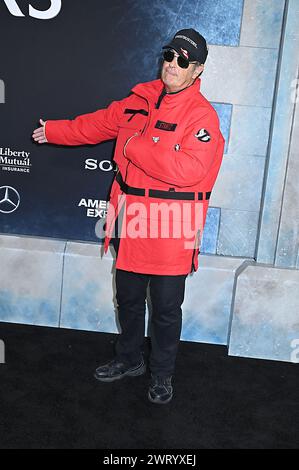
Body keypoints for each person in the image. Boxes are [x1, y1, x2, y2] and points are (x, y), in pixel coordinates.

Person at [32, 29, 225, 405]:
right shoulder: (141, 100)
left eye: (183, 60)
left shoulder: (202, 117)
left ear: (197, 70)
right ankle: (129, 359)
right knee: (129, 298)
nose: (173, 64)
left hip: (172, 224)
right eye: (170, 55)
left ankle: (163, 375)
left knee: (167, 309)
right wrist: (55, 131)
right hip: (132, 215)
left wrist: (135, 145)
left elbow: (189, 170)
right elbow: (98, 124)